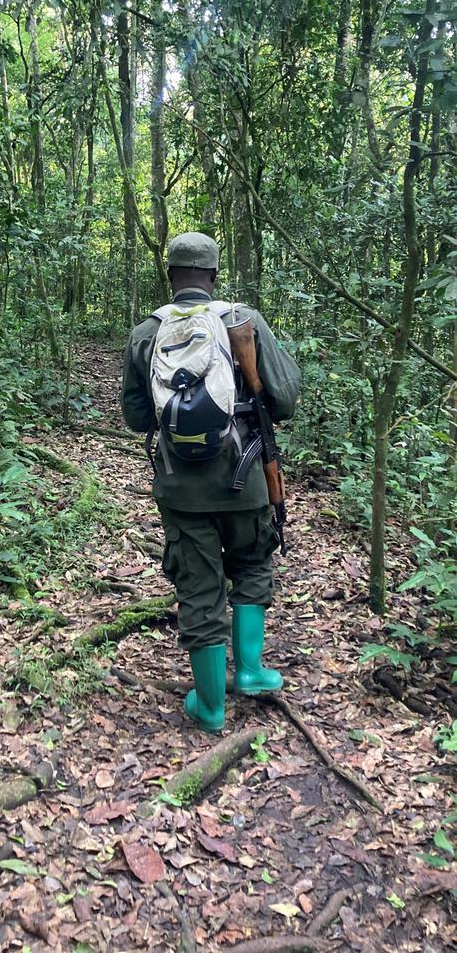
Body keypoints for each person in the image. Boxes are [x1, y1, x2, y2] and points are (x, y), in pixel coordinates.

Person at [120, 231, 301, 733]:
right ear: (215, 275)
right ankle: (250, 672)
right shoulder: (244, 320)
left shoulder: (145, 333)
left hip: (182, 489)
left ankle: (210, 705)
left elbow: (137, 417)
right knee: (252, 567)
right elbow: (284, 400)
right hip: (248, 480)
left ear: (170, 274)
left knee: (199, 589)